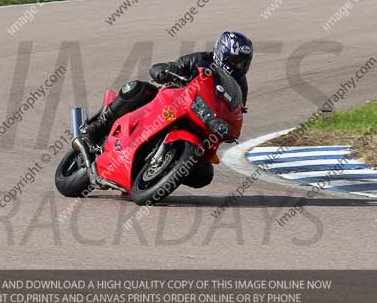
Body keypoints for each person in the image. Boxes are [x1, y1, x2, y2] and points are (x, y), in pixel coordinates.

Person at [76, 32, 254, 188]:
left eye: (242, 63)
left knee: (204, 175)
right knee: (138, 89)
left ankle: (162, 172)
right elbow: (173, 66)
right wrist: (166, 71)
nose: (238, 66)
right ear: (221, 53)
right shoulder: (201, 59)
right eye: (234, 61)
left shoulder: (240, 84)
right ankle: (97, 127)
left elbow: (236, 110)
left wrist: (230, 127)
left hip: (201, 119)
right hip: (174, 100)